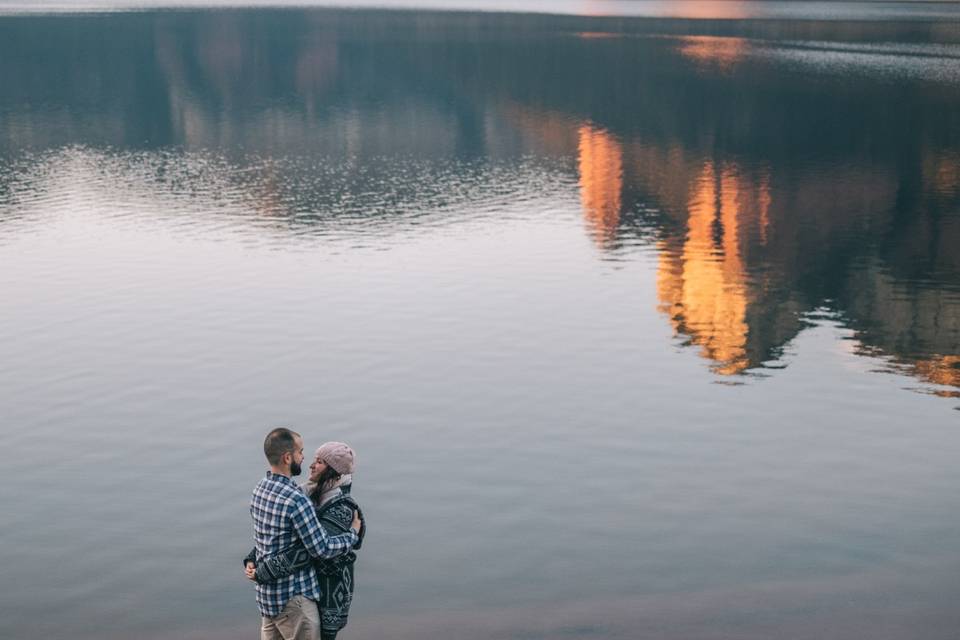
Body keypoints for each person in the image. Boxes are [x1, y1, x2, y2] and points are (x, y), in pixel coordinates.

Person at [249, 428, 362, 640]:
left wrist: (255, 562)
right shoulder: (297, 499)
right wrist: (352, 535)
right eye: (302, 452)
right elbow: (320, 548)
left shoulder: (260, 489)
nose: (306, 459)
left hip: (268, 599)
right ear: (287, 457)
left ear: (334, 471)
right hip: (295, 598)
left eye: (318, 461)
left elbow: (270, 537)